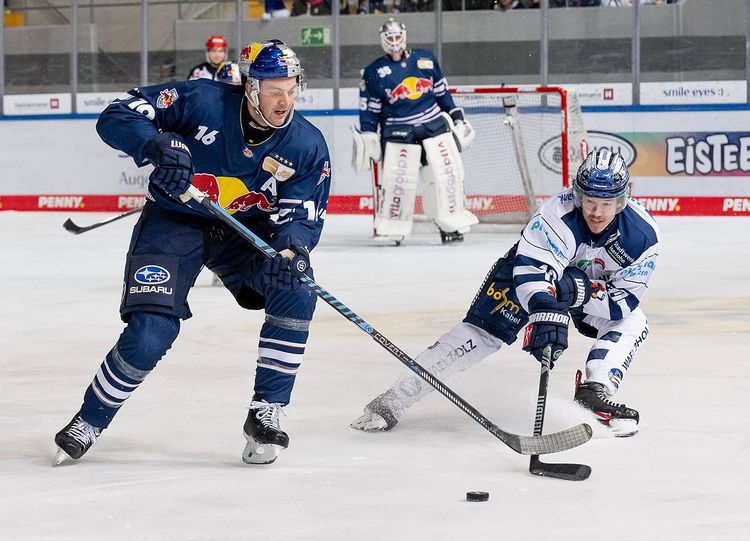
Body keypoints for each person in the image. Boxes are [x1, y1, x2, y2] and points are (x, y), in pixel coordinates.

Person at [54, 39, 332, 466]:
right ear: (249, 87)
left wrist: (292, 246)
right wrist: (154, 145)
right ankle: (90, 420)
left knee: (297, 286)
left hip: (242, 232)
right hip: (174, 223)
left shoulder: (304, 145)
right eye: (274, 89)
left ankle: (266, 412)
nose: (286, 100)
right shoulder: (200, 100)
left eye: (292, 88)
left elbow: (300, 217)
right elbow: (116, 114)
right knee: (152, 331)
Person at [351, 149, 658, 437]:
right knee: (478, 336)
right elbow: (532, 275)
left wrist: (578, 293)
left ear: (623, 199)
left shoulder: (642, 236)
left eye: (606, 203)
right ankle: (395, 398)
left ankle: (595, 391)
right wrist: (546, 310)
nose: (596, 211)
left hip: (586, 291)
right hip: (530, 279)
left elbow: (624, 300)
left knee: (634, 321)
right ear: (577, 194)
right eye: (589, 200)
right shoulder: (556, 213)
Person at [352, 18, 478, 245]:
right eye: (389, 37)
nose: (394, 42)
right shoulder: (373, 72)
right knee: (398, 180)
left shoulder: (426, 59)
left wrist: (457, 116)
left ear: (405, 36)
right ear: (382, 39)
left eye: (397, 36)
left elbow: (442, 94)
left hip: (433, 127)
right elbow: (369, 110)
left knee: (445, 174)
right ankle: (394, 225)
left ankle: (449, 223)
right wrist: (368, 134)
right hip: (398, 132)